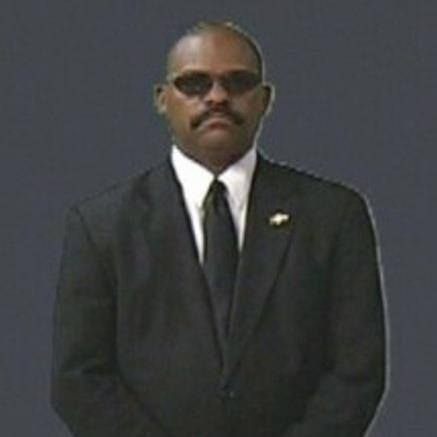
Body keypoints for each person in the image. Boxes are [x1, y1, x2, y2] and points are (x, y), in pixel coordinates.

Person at [51, 21, 387, 437]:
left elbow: (356, 374)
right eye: (194, 84)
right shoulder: (100, 226)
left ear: (265, 99)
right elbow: (79, 379)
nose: (217, 97)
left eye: (238, 82)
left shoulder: (333, 216)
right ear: (162, 99)